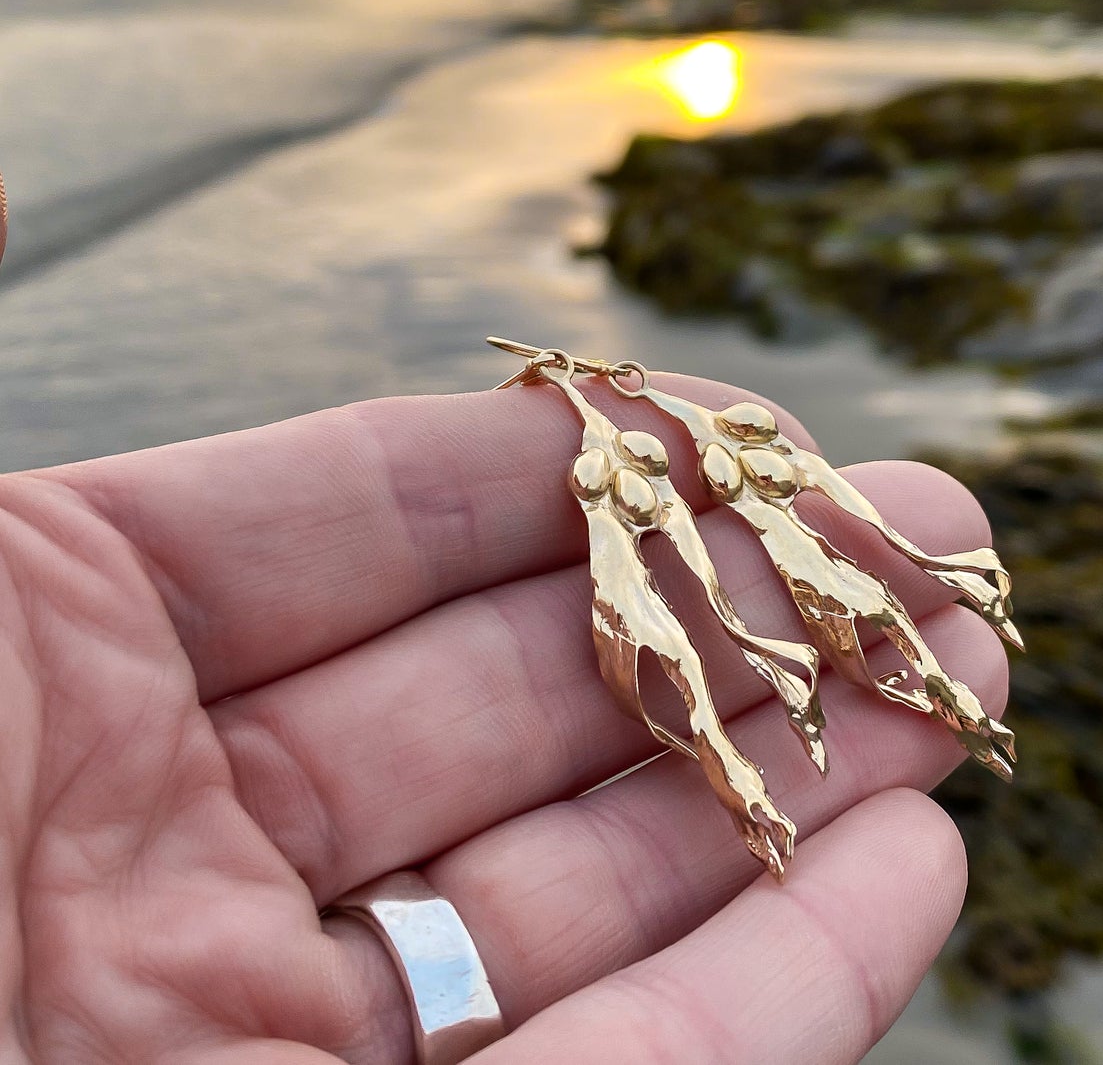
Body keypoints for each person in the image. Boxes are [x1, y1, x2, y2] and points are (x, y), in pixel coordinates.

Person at [0, 367, 1007, 1062]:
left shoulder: (649, 470)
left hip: (651, 571)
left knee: (781, 619)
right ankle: (874, 705)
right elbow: (690, 557)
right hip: (639, 575)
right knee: (753, 641)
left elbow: (696, 552)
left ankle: (883, 691)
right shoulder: (623, 474)